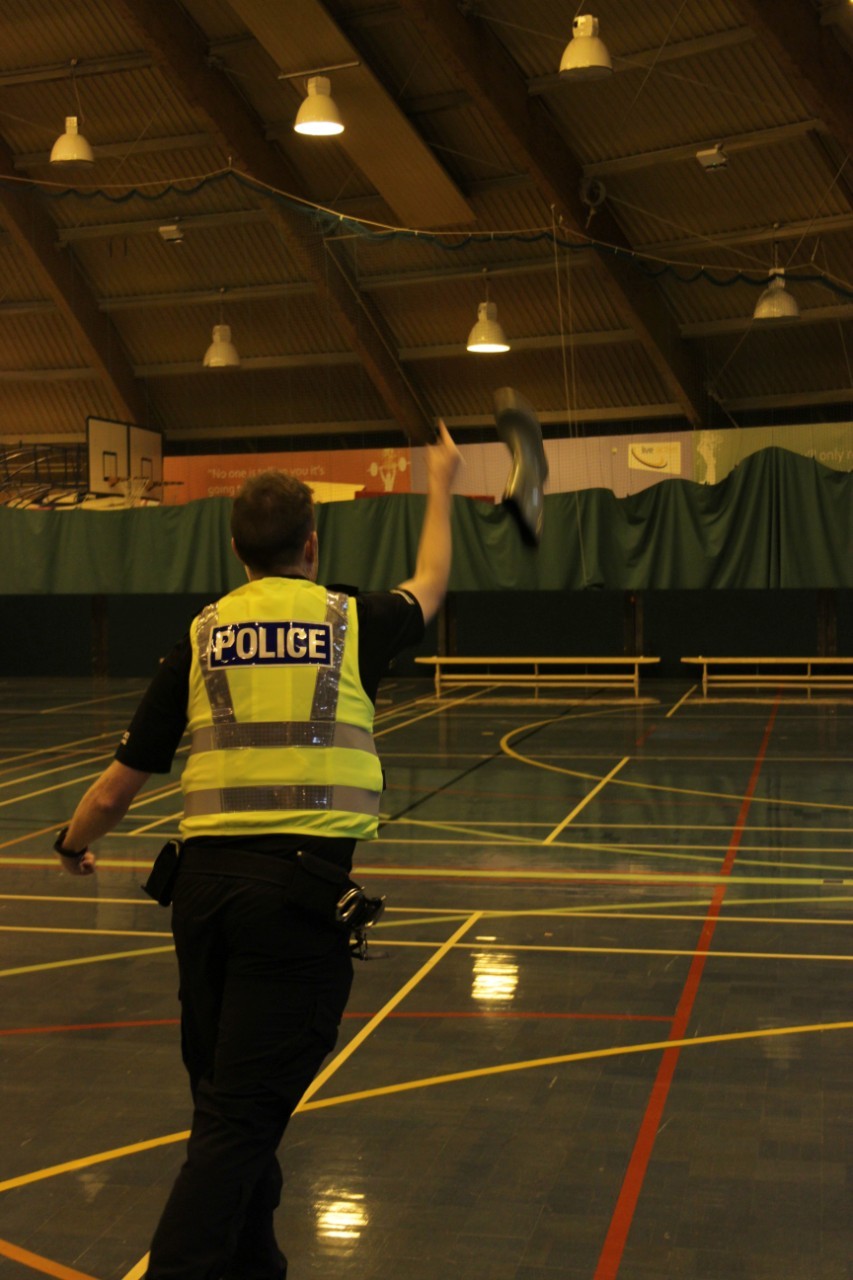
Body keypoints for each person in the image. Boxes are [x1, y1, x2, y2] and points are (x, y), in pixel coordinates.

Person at [53, 421, 461, 1280]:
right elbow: (431, 581)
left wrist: (72, 844)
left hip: (201, 904)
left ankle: (253, 1264)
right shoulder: (352, 620)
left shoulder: (200, 637)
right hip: (295, 908)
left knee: (225, 1109)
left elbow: (116, 787)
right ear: (312, 544)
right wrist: (441, 482)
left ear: (239, 553)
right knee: (240, 1121)